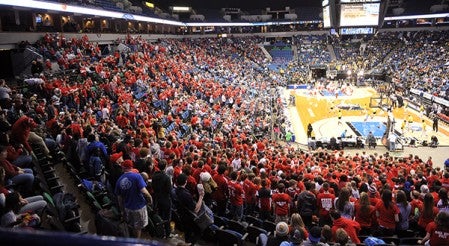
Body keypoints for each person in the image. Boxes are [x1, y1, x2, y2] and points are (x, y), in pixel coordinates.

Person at [115, 160, 152, 238]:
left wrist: (122, 210)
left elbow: (119, 198)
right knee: (138, 227)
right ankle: (136, 242)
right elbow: (145, 192)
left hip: (127, 207)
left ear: (123, 168)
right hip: (138, 207)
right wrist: (150, 199)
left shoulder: (119, 180)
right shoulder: (137, 176)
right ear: (131, 167)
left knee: (131, 224)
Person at [174, 173, 204, 245]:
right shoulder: (185, 194)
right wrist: (201, 197)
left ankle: (187, 242)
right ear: (185, 182)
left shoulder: (174, 190)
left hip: (181, 215)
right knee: (198, 231)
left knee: (187, 233)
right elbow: (196, 209)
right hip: (188, 217)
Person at [151, 160, 172, 238]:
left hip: (157, 198)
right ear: (165, 166)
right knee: (167, 217)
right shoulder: (166, 177)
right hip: (165, 199)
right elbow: (169, 190)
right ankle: (167, 233)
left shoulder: (154, 175)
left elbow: (153, 186)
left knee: (159, 216)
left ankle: (160, 232)